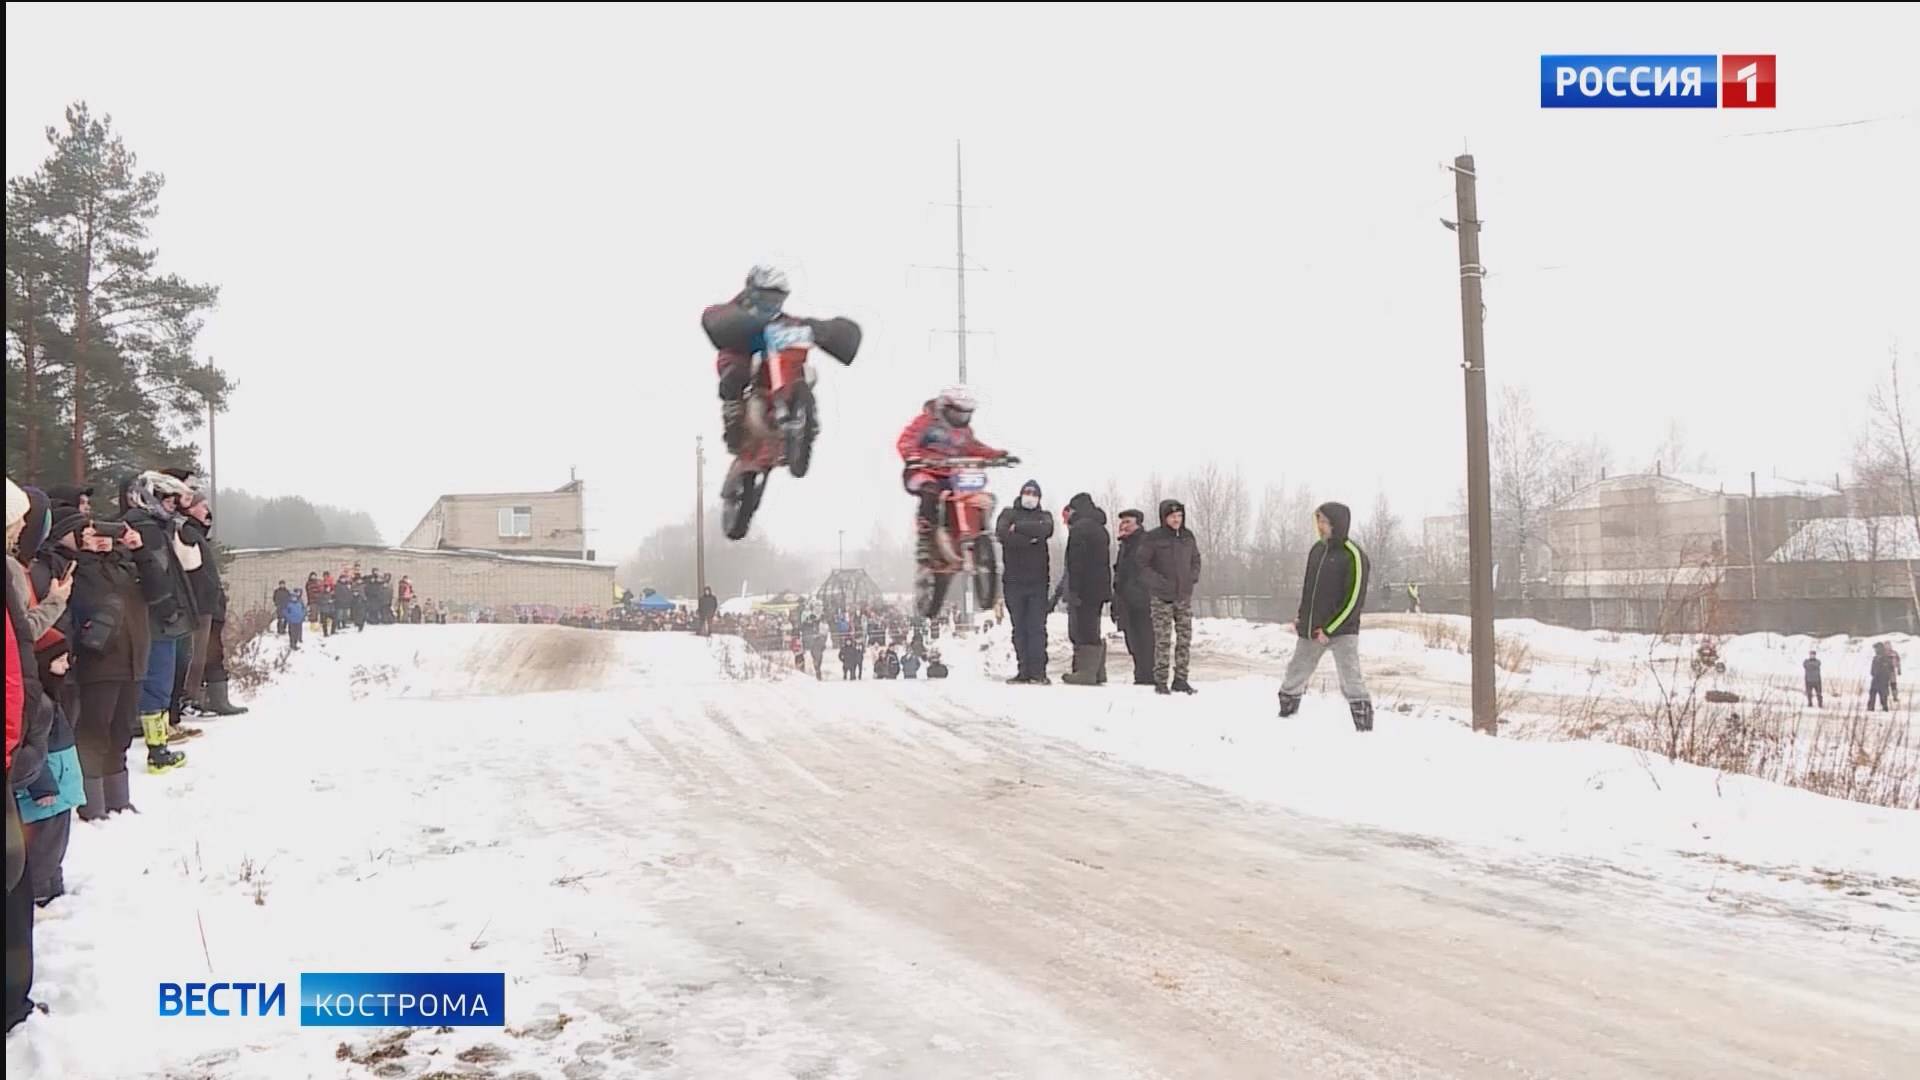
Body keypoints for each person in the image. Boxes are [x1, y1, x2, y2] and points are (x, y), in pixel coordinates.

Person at [120, 472, 196, 770]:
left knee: (158, 684)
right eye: (167, 499)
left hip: (160, 617)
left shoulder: (151, 526)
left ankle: (158, 744)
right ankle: (157, 749)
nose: (172, 506)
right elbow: (156, 577)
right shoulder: (145, 528)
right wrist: (168, 609)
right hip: (158, 620)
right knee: (157, 685)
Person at [1277, 502, 1375, 732]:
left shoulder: (1354, 555)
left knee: (1351, 679)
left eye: (1324, 521)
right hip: (1312, 628)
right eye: (1318, 521)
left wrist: (1330, 629)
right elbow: (1309, 588)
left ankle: (1364, 730)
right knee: (1295, 673)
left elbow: (1354, 600)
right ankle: (1286, 717)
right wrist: (1302, 616)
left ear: (1337, 524)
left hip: (1342, 632)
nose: (1320, 526)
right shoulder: (1317, 550)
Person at [897, 386, 1014, 566]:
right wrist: (913, 456)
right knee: (930, 492)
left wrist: (997, 455)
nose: (962, 419)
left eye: (966, 415)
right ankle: (925, 540)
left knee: (976, 496)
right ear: (945, 409)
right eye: (958, 414)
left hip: (951, 475)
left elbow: (975, 447)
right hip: (922, 471)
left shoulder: (964, 432)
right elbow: (906, 440)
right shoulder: (925, 422)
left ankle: (976, 532)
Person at [703, 265, 796, 454]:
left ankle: (802, 418)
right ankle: (733, 413)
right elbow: (714, 319)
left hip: (772, 362)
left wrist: (821, 333)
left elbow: (799, 329)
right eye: (769, 296)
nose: (773, 302)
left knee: (799, 367)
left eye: (777, 297)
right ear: (753, 292)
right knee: (735, 369)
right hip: (740, 353)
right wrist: (735, 323)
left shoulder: (781, 319)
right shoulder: (734, 309)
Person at [1138, 499, 1202, 695]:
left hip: (1183, 595)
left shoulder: (1187, 536)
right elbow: (1142, 565)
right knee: (1163, 640)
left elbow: (1196, 559)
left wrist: (1192, 578)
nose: (1177, 520)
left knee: (1184, 638)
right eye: (1173, 516)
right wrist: (1158, 583)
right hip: (1162, 597)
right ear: (1164, 517)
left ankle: (1181, 678)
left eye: (1180, 516)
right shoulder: (1153, 538)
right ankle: (1161, 680)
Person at [995, 480, 1055, 685]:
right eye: (1027, 492)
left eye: (1034, 493)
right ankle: (1024, 670)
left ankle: (1038, 671)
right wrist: (1030, 540)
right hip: (1013, 581)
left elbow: (1046, 529)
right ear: (1020, 494)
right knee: (1019, 628)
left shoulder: (1044, 516)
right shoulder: (1008, 513)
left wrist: (1018, 528)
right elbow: (1002, 534)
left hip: (1038, 582)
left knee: (1036, 627)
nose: (1030, 496)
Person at [1061, 493, 1113, 686]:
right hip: (1099, 588)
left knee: (1083, 629)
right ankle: (1098, 671)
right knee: (1093, 626)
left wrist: (1073, 590)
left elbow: (1076, 563)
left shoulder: (1081, 529)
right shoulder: (1100, 528)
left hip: (1084, 588)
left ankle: (1086, 672)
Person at [1112, 510, 1155, 686]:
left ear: (1138, 524)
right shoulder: (1125, 545)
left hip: (1142, 602)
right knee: (1133, 641)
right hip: (1126, 602)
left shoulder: (1145, 542)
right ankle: (1141, 675)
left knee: (1145, 640)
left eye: (1128, 522)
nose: (1123, 525)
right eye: (1122, 522)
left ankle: (1148, 677)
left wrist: (1139, 591)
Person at [1868, 643, 1894, 712]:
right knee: (1872, 694)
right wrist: (1873, 673)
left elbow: (1891, 669)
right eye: (1875, 649)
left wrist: (1886, 678)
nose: (1875, 650)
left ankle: (1885, 708)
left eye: (1876, 648)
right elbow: (1872, 670)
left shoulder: (1886, 658)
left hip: (1883, 680)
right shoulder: (1875, 658)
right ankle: (1870, 708)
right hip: (1875, 680)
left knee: (1883, 696)